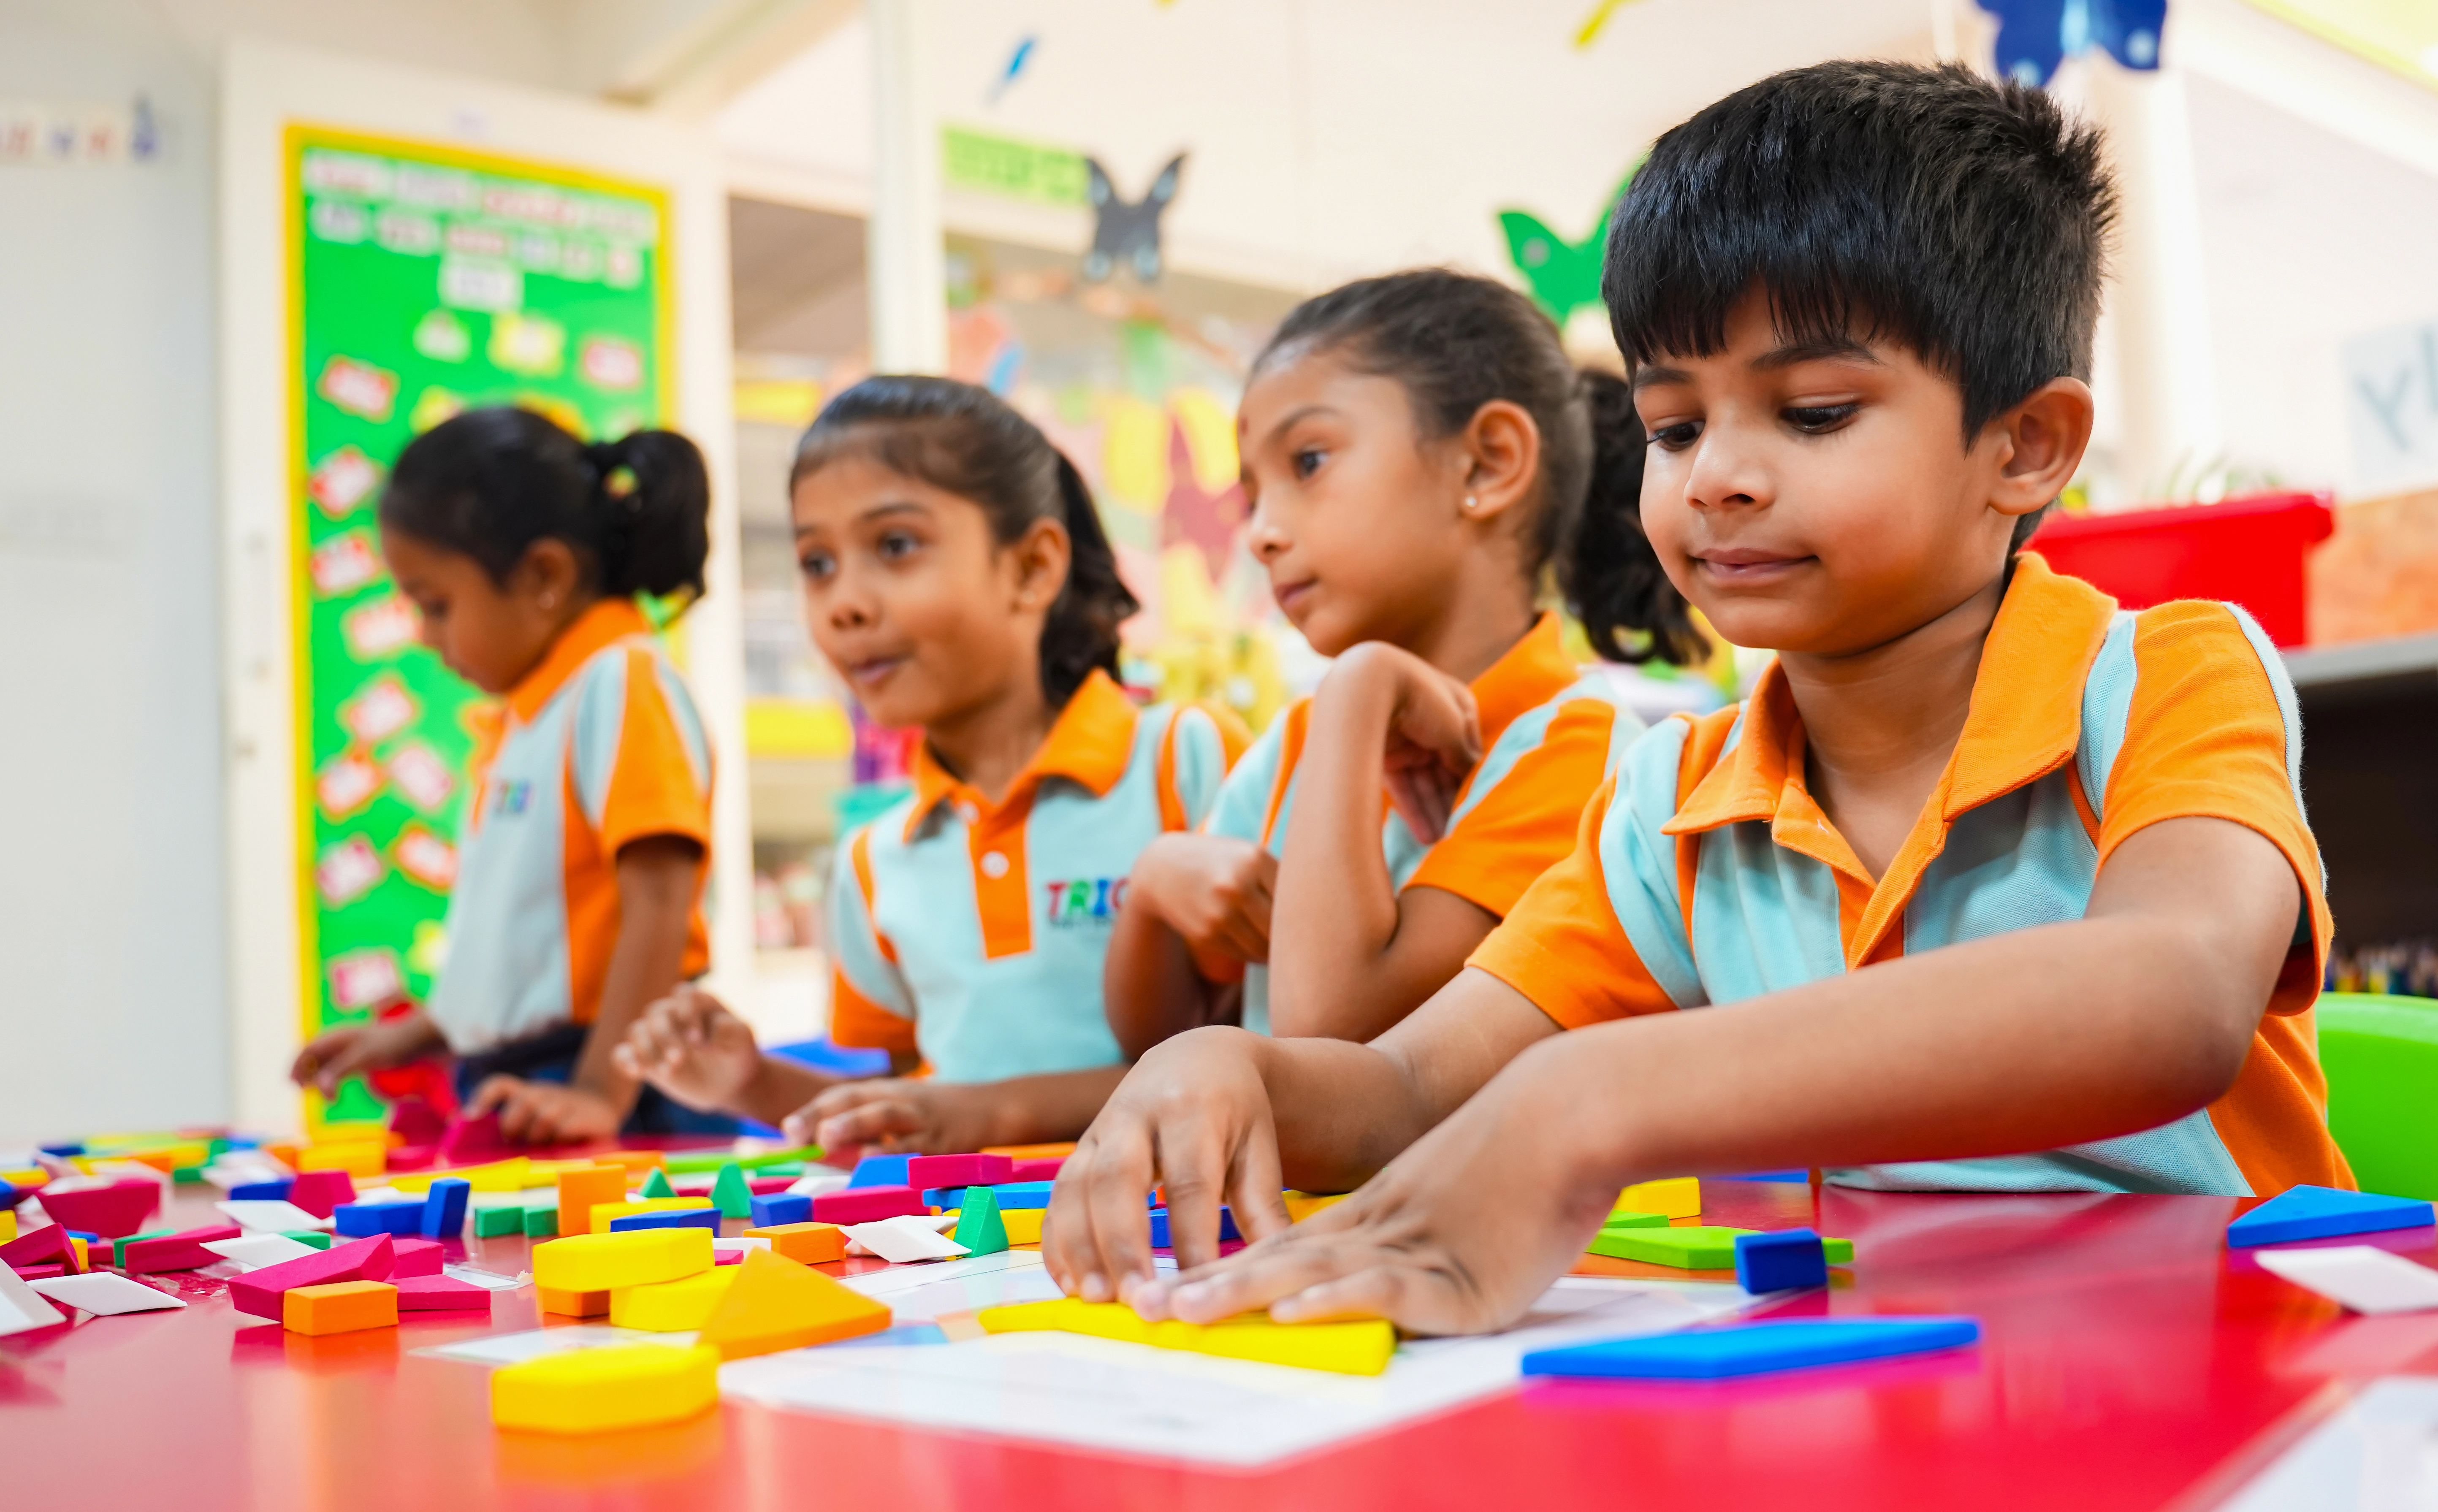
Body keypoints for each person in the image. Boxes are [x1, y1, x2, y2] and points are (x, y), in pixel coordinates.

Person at [1043, 61, 2354, 1336]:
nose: (1716, 475)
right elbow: (1401, 1084)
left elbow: (2169, 992)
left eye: (1816, 411)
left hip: (2246, 1354)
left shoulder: (2166, 672)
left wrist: (1596, 1090)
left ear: (2026, 446)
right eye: (1674, 426)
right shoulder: (1672, 805)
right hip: (1923, 1373)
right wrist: (1227, 1067)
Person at [613, 376, 1243, 1152]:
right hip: (977, 1260)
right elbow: (921, 1106)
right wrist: (754, 1082)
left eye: (896, 546)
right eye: (817, 563)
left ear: (1033, 569)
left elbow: (1271, 1044)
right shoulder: (874, 861)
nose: (845, 602)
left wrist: (995, 1114)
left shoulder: (1186, 759)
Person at [1102, 269, 1697, 1053]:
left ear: (1487, 463)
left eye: (1308, 462)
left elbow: (1334, 1034)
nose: (1261, 534)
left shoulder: (1581, 755)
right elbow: (1164, 1038)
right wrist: (1151, 887)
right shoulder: (1294, 746)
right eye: (1253, 497)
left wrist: (1358, 693)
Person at [289, 407, 726, 1143]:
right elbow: (530, 948)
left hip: (602, 1077)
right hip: (530, 1076)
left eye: (436, 605)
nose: (426, 637)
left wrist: (599, 1090)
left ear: (543, 576)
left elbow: (659, 900)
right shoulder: (525, 718)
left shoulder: (618, 682)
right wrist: (423, 1030)